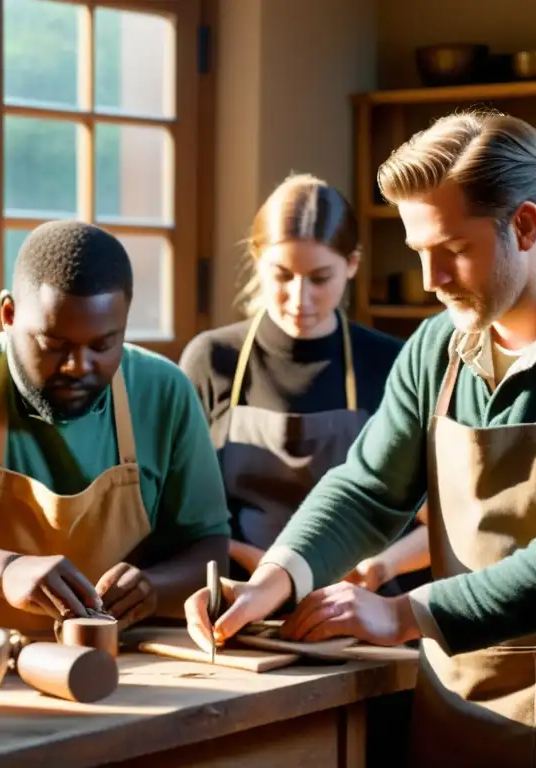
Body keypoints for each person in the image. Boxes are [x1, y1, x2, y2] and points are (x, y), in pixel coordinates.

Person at [184, 110, 536, 767]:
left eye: (452, 249)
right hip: (454, 700)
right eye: (417, 252)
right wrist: (277, 578)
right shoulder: (439, 346)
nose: (430, 279)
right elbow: (369, 489)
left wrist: (400, 616)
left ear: (524, 226)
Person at [0, 220, 230, 637]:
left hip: (117, 664)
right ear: (8, 314)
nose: (78, 366)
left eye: (102, 345)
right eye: (54, 344)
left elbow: (209, 549)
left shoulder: (163, 390)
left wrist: (154, 588)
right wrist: (5, 571)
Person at [178, 173, 430, 593]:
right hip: (238, 595)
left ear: (352, 264)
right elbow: (178, 511)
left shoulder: (391, 363)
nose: (300, 298)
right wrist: (272, 572)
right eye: (282, 275)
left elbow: (444, 522)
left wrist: (380, 568)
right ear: (257, 258)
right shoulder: (210, 359)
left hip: (355, 601)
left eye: (319, 278)